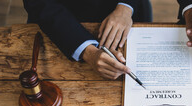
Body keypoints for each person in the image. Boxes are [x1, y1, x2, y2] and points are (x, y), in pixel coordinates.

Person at [23, 0, 152, 80]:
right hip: (61, 23)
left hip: (128, 12)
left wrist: (125, 6)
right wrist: (87, 51)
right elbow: (38, 3)